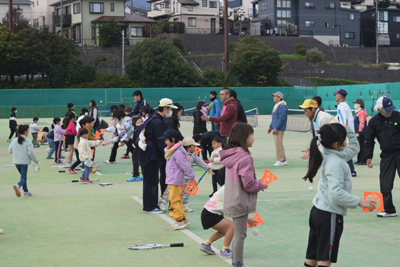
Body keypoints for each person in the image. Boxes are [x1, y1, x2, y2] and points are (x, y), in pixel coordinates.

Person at [302, 123, 375, 267]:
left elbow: (355, 148)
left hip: (318, 211)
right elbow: (336, 193)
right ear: (337, 144)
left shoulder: (331, 153)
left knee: (312, 257)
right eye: (345, 138)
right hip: (329, 215)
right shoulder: (335, 163)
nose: (347, 141)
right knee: (324, 259)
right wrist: (359, 202)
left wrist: (346, 129)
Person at [220, 123, 267, 267]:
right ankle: (237, 263)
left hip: (232, 199)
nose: (253, 138)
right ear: (244, 137)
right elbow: (248, 184)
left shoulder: (231, 154)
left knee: (239, 233)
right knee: (240, 234)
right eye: (252, 135)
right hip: (240, 201)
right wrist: (260, 184)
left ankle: (235, 261)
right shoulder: (245, 157)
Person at [200, 170, 258, 258]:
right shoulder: (226, 189)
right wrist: (247, 219)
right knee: (232, 226)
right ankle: (225, 250)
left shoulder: (229, 188)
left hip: (209, 214)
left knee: (223, 232)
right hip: (210, 214)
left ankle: (206, 244)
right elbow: (234, 208)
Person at [139, 98, 177, 214]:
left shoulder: (154, 119)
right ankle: (150, 206)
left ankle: (150, 205)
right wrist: (167, 156)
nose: (171, 112)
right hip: (151, 155)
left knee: (150, 180)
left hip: (148, 154)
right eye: (170, 109)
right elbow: (161, 143)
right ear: (165, 109)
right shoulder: (157, 122)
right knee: (151, 181)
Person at [365, 96, 400, 218]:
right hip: (386, 155)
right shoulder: (374, 121)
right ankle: (389, 210)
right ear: (379, 109)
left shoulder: (398, 116)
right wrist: (368, 156)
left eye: (390, 108)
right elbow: (369, 140)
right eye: (386, 109)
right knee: (385, 183)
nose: (389, 111)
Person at [159, 137, 213, 212]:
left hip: (188, 177)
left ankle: (185, 204)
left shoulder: (193, 155)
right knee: (170, 190)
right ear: (188, 147)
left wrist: (207, 168)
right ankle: (162, 203)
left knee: (187, 192)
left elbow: (199, 161)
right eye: (193, 146)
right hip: (178, 177)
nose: (195, 147)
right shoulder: (180, 153)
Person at [160, 129, 196, 230]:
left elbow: (185, 166)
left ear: (173, 140)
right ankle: (182, 219)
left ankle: (179, 220)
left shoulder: (178, 152)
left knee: (174, 200)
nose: (165, 142)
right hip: (173, 179)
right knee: (177, 200)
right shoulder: (174, 151)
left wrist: (191, 177)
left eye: (166, 140)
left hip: (175, 180)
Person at [9, 124, 39, 198]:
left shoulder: (14, 140)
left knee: (23, 177)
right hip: (24, 163)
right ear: (25, 132)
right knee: (23, 178)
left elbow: (10, 150)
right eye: (28, 131)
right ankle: (18, 185)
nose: (28, 132)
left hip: (16, 162)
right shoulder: (28, 141)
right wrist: (36, 160)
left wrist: (16, 154)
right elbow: (31, 152)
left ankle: (26, 191)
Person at [333, 88, 356, 177]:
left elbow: (343, 122)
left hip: (345, 133)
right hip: (347, 133)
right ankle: (351, 170)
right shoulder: (344, 106)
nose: (335, 96)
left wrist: (341, 133)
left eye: (336, 94)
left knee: (343, 151)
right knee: (343, 151)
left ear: (340, 96)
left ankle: (351, 170)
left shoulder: (342, 106)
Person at [268, 91, 288, 167]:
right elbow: (274, 118)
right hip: (276, 127)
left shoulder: (282, 106)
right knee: (278, 144)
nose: (274, 98)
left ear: (279, 98)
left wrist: (276, 127)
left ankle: (281, 160)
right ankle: (283, 159)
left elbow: (282, 118)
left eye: (275, 96)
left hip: (279, 128)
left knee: (278, 144)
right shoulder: (277, 105)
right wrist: (270, 126)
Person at [127, 117, 145, 182]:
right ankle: (139, 174)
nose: (141, 123)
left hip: (142, 146)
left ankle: (137, 174)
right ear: (134, 124)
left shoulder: (143, 129)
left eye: (141, 122)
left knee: (140, 159)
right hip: (138, 146)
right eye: (138, 122)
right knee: (137, 158)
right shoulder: (134, 129)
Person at [353, 99, 368, 165]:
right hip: (358, 133)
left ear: (360, 104)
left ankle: (363, 161)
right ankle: (359, 160)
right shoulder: (358, 112)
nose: (355, 104)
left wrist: (359, 131)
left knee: (362, 146)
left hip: (361, 133)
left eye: (356, 103)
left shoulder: (361, 112)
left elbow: (362, 122)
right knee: (359, 146)